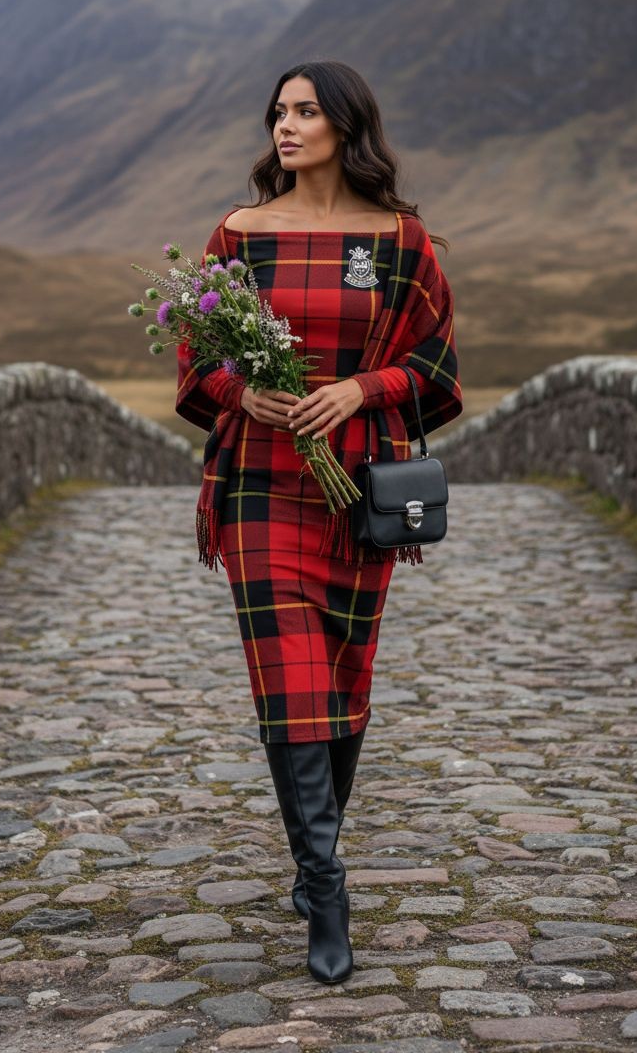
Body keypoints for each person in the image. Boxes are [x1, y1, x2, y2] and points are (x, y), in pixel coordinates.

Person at [176, 59, 463, 985]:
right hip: (260, 485)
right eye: (277, 113)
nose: (284, 127)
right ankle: (325, 887)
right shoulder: (240, 233)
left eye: (304, 111)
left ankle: (316, 857)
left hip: (357, 491)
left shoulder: (401, 241)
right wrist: (243, 390)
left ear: (346, 124)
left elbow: (436, 368)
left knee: (342, 672)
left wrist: (356, 388)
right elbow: (196, 355)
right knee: (290, 682)